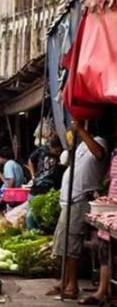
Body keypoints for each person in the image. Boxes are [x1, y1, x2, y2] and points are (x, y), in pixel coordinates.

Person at [47, 120, 108, 299]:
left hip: (80, 199)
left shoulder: (100, 142)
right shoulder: (81, 146)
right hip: (68, 200)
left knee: (71, 244)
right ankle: (64, 281)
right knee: (62, 244)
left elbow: (98, 153)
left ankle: (72, 286)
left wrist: (81, 130)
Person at [26, 137, 66, 230]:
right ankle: (31, 233)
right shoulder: (42, 150)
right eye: (56, 151)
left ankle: (42, 233)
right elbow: (30, 160)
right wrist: (33, 175)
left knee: (45, 217)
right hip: (37, 187)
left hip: (51, 191)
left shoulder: (63, 155)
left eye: (59, 151)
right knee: (30, 216)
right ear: (51, 147)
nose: (58, 153)